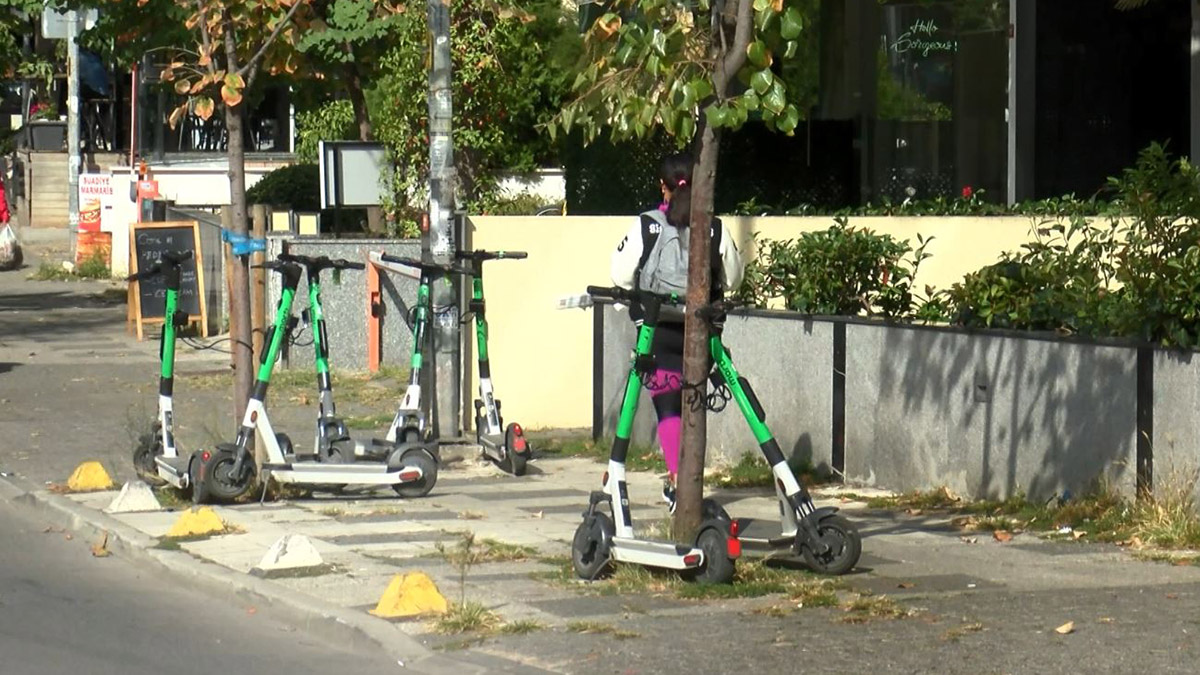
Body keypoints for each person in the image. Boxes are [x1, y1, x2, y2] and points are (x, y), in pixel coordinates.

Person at [610, 153, 744, 513]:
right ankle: (690, 482)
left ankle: (676, 481)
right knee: (695, 403)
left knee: (668, 406)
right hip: (702, 330)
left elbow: (620, 275)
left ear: (663, 187)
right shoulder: (714, 227)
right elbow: (733, 278)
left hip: (657, 330)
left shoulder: (647, 225)